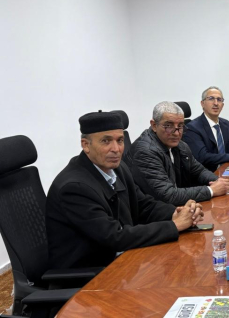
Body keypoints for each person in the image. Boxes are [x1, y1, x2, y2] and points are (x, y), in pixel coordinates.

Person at [46, 111, 202, 270]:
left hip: (123, 261)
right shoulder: (74, 187)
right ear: (86, 145)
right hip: (91, 274)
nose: (116, 149)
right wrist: (174, 226)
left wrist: (177, 212)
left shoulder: (118, 168)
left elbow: (143, 205)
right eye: (106, 141)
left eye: (120, 140)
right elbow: (114, 236)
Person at [128, 101, 229, 205]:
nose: (177, 133)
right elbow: (168, 195)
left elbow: (199, 171)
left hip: (178, 205)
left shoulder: (180, 145)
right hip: (155, 210)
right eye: (169, 126)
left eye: (180, 126)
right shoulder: (146, 151)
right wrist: (211, 190)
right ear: (154, 125)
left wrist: (218, 182)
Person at [183, 86, 229, 171]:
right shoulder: (193, 128)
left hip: (228, 170)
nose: (216, 103)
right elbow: (203, 157)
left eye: (219, 100)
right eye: (211, 99)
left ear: (222, 105)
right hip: (206, 174)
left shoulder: (225, 124)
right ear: (202, 103)